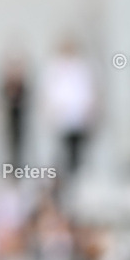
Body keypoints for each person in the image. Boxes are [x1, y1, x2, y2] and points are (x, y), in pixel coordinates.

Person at [43, 38, 96, 175]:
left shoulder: (82, 66)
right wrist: (52, 108)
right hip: (62, 113)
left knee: (77, 148)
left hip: (78, 113)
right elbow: (50, 89)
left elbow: (86, 88)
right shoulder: (54, 66)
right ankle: (64, 174)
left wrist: (88, 108)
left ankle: (77, 172)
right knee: (62, 148)